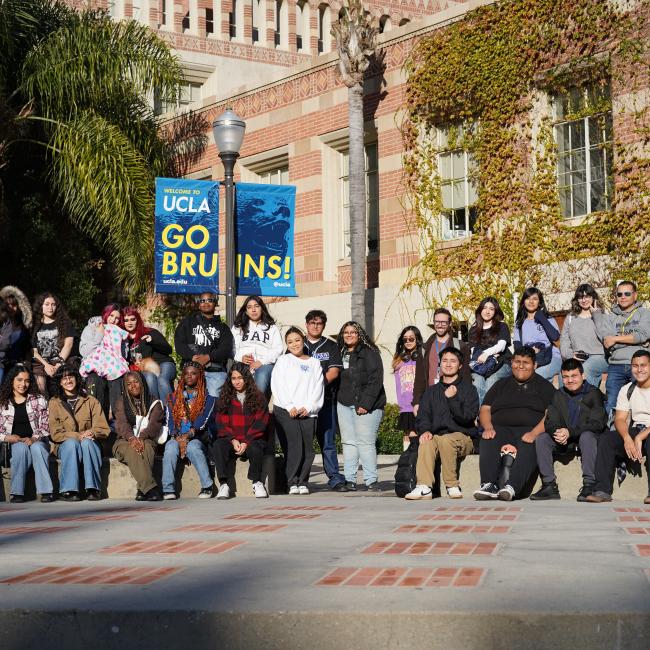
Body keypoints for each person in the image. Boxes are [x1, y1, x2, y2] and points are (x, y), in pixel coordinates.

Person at [473, 347, 556, 501]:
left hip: (529, 430)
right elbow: (485, 408)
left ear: (535, 365)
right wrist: (488, 427)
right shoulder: (500, 384)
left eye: (526, 362)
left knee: (532, 443)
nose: (521, 366)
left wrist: (534, 433)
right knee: (488, 438)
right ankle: (488, 484)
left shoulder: (544, 386)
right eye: (517, 361)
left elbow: (550, 414)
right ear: (511, 363)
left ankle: (512, 487)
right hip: (500, 428)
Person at [405, 347, 479, 500]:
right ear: (440, 364)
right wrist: (425, 430)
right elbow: (423, 416)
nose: (448, 364)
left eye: (453, 361)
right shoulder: (431, 392)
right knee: (426, 441)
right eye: (445, 361)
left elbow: (467, 418)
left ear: (460, 366)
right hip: (438, 436)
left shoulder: (469, 390)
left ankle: (452, 484)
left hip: (463, 437)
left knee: (446, 440)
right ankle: (424, 486)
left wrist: (453, 399)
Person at [531, 359, 607, 501]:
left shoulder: (593, 393)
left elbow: (597, 424)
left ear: (583, 376)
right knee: (542, 438)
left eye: (574, 376)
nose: (570, 380)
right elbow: (550, 421)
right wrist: (558, 431)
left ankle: (589, 485)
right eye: (565, 377)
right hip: (565, 440)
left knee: (587, 436)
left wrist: (570, 432)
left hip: (587, 439)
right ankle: (549, 485)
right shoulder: (558, 394)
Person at [587, 350, 650, 504]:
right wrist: (627, 438)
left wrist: (641, 436)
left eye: (643, 365)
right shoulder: (627, 389)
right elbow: (620, 419)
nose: (639, 369)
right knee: (607, 439)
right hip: (636, 429)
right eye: (635, 366)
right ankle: (602, 490)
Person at [272, 327, 324, 495]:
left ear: (303, 340)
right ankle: (291, 481)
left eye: (297, 340)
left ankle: (303, 482)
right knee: (295, 447)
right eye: (290, 342)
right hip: (287, 411)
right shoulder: (283, 360)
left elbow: (318, 387)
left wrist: (308, 407)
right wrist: (290, 406)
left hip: (308, 412)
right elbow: (278, 385)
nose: (294, 344)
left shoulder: (314, 363)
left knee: (308, 450)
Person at [48, 363, 110, 501]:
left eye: (71, 377)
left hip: (90, 443)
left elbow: (103, 428)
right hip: (65, 445)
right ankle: (69, 490)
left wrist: (93, 433)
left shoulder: (91, 401)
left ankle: (93, 489)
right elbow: (55, 433)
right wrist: (78, 436)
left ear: (77, 378)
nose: (68, 381)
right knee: (72, 444)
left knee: (87, 443)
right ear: (59, 382)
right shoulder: (54, 402)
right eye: (64, 379)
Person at [336, 321, 386, 491]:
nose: (349, 335)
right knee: (348, 443)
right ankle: (350, 479)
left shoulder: (369, 353)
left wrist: (365, 403)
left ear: (360, 335)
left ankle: (371, 480)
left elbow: (376, 379)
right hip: (343, 403)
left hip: (366, 404)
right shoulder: (340, 353)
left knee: (365, 442)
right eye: (346, 332)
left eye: (353, 332)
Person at [303, 310, 347, 492]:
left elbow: (334, 372)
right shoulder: (298, 344)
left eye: (319, 323)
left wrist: (317, 388)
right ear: (306, 324)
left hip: (325, 400)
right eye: (312, 323)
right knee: (304, 443)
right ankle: (300, 479)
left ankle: (334, 478)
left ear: (324, 326)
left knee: (327, 443)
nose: (315, 326)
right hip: (303, 404)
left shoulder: (331, 346)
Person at [212, 362, 270, 499]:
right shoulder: (224, 397)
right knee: (218, 446)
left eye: (240, 378)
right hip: (232, 439)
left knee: (256, 448)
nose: (237, 382)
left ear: (247, 378)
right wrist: (232, 439)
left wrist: (246, 441)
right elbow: (221, 422)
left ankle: (257, 482)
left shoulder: (258, 397)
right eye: (233, 378)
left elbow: (260, 423)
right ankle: (224, 484)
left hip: (252, 439)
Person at [593, 281, 650, 416]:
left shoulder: (644, 313)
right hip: (616, 365)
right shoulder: (611, 316)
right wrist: (637, 341)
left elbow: (643, 335)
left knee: (643, 400)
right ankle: (609, 433)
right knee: (611, 402)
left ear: (635, 296)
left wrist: (616, 339)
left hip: (638, 364)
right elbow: (607, 340)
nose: (623, 297)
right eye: (619, 294)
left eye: (627, 293)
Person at [162, 361, 217, 499]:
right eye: (186, 374)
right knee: (170, 447)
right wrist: (177, 437)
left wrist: (187, 437)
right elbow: (170, 423)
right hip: (178, 437)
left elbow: (202, 423)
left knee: (193, 447)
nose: (189, 376)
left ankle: (207, 486)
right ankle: (168, 489)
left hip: (199, 437)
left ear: (200, 377)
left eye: (193, 373)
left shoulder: (209, 399)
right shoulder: (172, 398)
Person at [0, 365, 54, 503]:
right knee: (20, 449)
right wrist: (7, 437)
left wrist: (35, 438)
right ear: (12, 380)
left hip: (37, 440)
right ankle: (17, 493)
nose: (23, 384)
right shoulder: (2, 402)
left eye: (27, 381)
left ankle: (46, 492)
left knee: (38, 449)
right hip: (14, 443)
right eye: (19, 380)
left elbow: (45, 425)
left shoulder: (39, 399)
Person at [112, 371, 164, 501]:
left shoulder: (154, 402)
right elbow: (121, 424)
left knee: (146, 448)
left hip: (147, 438)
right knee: (132, 450)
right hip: (124, 440)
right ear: (125, 387)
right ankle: (151, 489)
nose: (133, 386)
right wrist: (132, 438)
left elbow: (154, 425)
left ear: (142, 383)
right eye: (128, 384)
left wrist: (141, 437)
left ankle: (142, 490)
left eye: (136, 382)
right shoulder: (121, 402)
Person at [174, 292, 233, 398]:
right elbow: (179, 343)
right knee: (187, 399)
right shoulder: (187, 323)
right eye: (202, 301)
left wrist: (209, 357)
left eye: (209, 300)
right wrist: (191, 356)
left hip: (215, 372)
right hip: (191, 371)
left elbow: (226, 348)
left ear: (215, 303)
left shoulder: (223, 327)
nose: (206, 303)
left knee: (213, 399)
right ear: (199, 304)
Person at [412, 308, 469, 411]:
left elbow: (466, 376)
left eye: (444, 322)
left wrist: (467, 403)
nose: (440, 325)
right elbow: (419, 378)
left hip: (454, 399)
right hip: (431, 400)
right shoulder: (424, 349)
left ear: (450, 323)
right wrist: (416, 402)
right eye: (437, 322)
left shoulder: (460, 346)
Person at [79, 304, 129, 415]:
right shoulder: (92, 327)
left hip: (113, 367)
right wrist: (99, 334)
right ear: (105, 314)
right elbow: (84, 351)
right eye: (111, 316)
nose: (114, 320)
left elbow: (123, 355)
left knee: (118, 382)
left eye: (117, 318)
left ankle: (120, 423)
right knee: (95, 382)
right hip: (95, 367)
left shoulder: (118, 332)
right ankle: (98, 423)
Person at [123, 306, 176, 405]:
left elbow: (168, 350)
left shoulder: (149, 332)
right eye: (126, 320)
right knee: (150, 377)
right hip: (144, 370)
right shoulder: (123, 339)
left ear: (137, 320)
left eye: (132, 319)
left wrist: (153, 341)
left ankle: (173, 412)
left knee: (162, 379)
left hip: (164, 363)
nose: (129, 322)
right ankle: (156, 410)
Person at [559, 284, 607, 391]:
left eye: (587, 296)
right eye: (580, 297)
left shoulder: (602, 316)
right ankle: (565, 404)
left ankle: (588, 402)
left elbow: (605, 337)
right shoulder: (571, 317)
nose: (584, 300)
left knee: (586, 369)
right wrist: (570, 355)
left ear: (593, 297)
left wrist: (596, 315)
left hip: (598, 356)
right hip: (577, 356)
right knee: (564, 371)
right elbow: (564, 340)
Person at [232, 295, 283, 395]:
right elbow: (231, 347)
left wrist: (262, 361)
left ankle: (256, 405)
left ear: (262, 308)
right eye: (249, 307)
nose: (253, 310)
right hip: (242, 363)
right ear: (246, 311)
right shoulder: (238, 327)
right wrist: (240, 357)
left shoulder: (272, 328)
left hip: (264, 364)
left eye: (256, 306)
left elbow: (278, 349)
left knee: (263, 375)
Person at [467, 297, 512, 404]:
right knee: (477, 383)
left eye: (491, 309)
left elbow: (501, 345)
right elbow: (473, 351)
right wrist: (474, 362)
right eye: (485, 308)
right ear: (480, 310)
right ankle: (479, 416)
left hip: (502, 363)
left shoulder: (502, 326)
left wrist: (487, 353)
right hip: (481, 365)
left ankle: (487, 415)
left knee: (491, 381)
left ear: (495, 311)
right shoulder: (473, 330)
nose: (487, 311)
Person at [513, 287, 561, 383]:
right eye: (528, 298)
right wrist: (529, 351)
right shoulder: (520, 323)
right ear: (523, 301)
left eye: (535, 299)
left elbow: (555, 337)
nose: (531, 301)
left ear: (539, 302)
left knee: (536, 376)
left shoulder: (548, 319)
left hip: (551, 358)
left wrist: (541, 318)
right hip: (530, 359)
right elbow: (517, 346)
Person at [31, 292, 75, 395]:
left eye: (53, 304)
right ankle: (44, 409)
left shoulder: (65, 323)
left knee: (64, 381)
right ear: (40, 306)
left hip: (61, 361)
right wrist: (46, 365)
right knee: (40, 385)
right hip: (41, 363)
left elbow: (68, 345)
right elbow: (34, 351)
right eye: (47, 304)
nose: (50, 307)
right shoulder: (34, 326)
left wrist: (59, 364)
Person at [392, 326, 423, 450]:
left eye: (411, 338)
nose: (408, 342)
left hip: (420, 404)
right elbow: (399, 388)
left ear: (418, 340)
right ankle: (409, 464)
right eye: (405, 339)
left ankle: (419, 464)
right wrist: (402, 406)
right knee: (408, 437)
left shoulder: (422, 358)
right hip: (406, 407)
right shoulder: (399, 362)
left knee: (419, 436)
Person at [0, 286, 32, 372]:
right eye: (8, 305)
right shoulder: (2, 323)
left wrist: (27, 363)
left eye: (13, 305)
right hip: (1, 364)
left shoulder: (25, 325)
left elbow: (28, 347)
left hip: (17, 366)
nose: (11, 308)